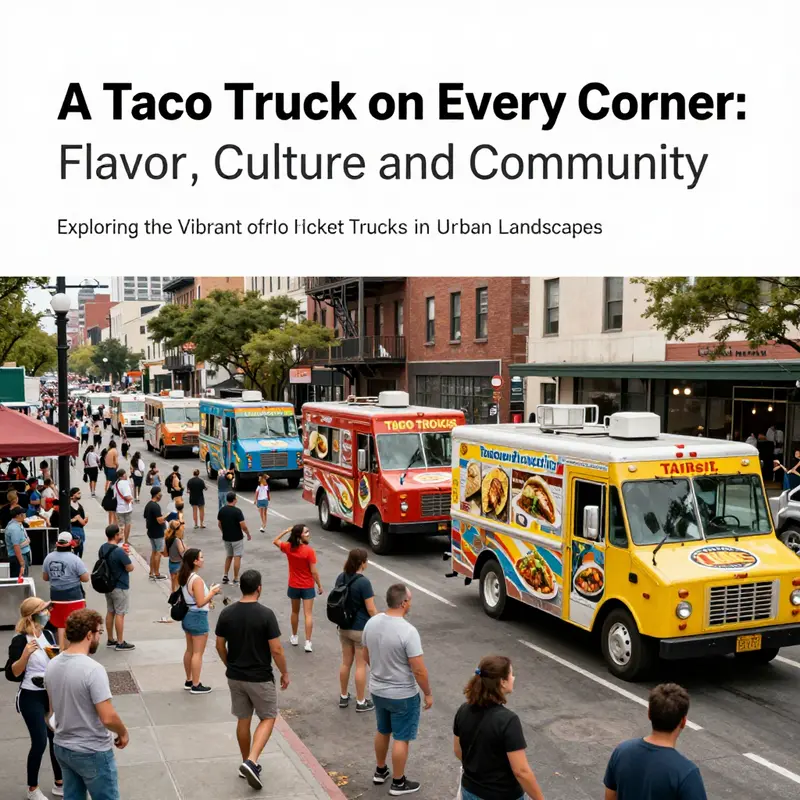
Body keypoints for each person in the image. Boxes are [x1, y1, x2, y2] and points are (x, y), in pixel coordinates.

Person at [214, 569, 289, 790]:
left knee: (243, 719)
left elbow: (219, 645)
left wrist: (229, 664)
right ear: (259, 588)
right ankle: (252, 761)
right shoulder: (266, 614)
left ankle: (246, 761)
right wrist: (285, 672)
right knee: (268, 716)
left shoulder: (227, 613)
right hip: (259, 676)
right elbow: (276, 649)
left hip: (235, 675)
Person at [45, 609, 129, 800]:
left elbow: (51, 712)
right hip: (92, 750)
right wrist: (122, 732)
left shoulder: (53, 664)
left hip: (63, 747)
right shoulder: (93, 670)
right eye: (99, 632)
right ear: (89, 635)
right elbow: (107, 717)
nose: (99, 637)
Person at [362, 583, 432, 796]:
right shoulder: (408, 631)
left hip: (377, 689)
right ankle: (399, 782)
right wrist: (427, 693)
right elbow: (418, 670)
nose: (410, 603)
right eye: (409, 600)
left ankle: (380, 770)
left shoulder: (371, 623)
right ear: (403, 603)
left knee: (383, 730)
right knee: (401, 737)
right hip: (403, 694)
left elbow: (366, 655)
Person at [454, 655, 545, 800]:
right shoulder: (508, 720)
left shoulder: (463, 709)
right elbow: (521, 771)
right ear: (502, 682)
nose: (513, 678)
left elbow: (458, 751)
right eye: (511, 674)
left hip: (470, 790)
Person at [603, 683, 707, 800]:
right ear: (683, 722)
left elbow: (610, 797)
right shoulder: (686, 773)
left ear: (649, 714)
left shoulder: (621, 752)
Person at [7, 597, 63, 800]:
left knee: (56, 739)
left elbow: (55, 662)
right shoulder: (20, 640)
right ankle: (32, 788)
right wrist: (24, 656)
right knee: (39, 741)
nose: (48, 612)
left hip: (49, 695)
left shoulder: (48, 634)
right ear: (32, 615)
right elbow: (11, 673)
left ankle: (60, 783)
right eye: (44, 610)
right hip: (30, 696)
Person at [335, 548, 378, 711]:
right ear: (362, 563)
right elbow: (371, 609)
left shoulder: (341, 577)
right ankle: (361, 701)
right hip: (360, 629)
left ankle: (344, 696)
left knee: (346, 662)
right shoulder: (364, 582)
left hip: (344, 626)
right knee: (361, 665)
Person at [272, 524, 323, 652]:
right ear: (300, 535)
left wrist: (285, 530)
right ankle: (308, 642)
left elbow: (275, 541)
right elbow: (314, 572)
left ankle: (294, 636)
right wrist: (319, 585)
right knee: (308, 614)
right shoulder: (309, 551)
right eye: (306, 532)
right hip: (307, 586)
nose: (308, 533)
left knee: (295, 612)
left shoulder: (288, 547)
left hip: (293, 584)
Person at [178, 548, 221, 694]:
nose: (203, 559)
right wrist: (213, 592)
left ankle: (189, 680)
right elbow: (201, 601)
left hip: (188, 615)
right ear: (195, 561)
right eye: (201, 557)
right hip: (198, 616)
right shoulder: (196, 579)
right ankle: (196, 684)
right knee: (198, 653)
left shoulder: (185, 576)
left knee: (189, 650)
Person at [42, 532, 90, 650]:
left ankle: (61, 648)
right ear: (71, 544)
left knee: (59, 622)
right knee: (73, 622)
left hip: (56, 594)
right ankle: (72, 648)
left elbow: (45, 577)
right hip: (74, 595)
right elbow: (85, 578)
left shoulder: (49, 558)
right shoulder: (75, 559)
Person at [99, 524, 135, 651]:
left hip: (108, 585)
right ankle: (120, 642)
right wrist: (127, 556)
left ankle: (110, 639)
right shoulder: (119, 551)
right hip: (120, 585)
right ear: (115, 535)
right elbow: (130, 567)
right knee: (120, 613)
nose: (121, 535)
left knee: (110, 611)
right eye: (120, 533)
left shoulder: (103, 548)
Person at [218, 492, 251, 585]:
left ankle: (225, 575)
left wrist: (223, 532)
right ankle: (236, 577)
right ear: (234, 500)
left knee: (229, 556)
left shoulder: (222, 510)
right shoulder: (237, 511)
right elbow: (243, 525)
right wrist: (248, 534)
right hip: (237, 537)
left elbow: (219, 524)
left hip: (226, 537)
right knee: (237, 556)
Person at [143, 486, 168, 581]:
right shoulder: (156, 506)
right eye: (160, 493)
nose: (161, 495)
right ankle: (157, 573)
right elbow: (160, 520)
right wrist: (166, 516)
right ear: (157, 494)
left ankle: (151, 572)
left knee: (154, 552)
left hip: (151, 531)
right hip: (157, 532)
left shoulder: (148, 505)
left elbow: (146, 516)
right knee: (158, 553)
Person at [5, 505, 31, 578]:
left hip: (21, 555)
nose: (25, 515)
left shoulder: (17, 524)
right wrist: (22, 563)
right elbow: (16, 546)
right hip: (18, 557)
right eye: (23, 513)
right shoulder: (14, 529)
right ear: (18, 515)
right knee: (21, 578)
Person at [113, 468, 134, 544]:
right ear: (123, 475)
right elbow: (127, 496)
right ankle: (126, 540)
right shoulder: (124, 483)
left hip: (119, 507)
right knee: (127, 524)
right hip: (126, 507)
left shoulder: (116, 483)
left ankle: (120, 540)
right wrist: (131, 499)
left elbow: (114, 495)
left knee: (120, 525)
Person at [165, 519, 187, 592]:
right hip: (179, 564)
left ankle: (173, 594)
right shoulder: (177, 540)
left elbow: (165, 552)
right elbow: (182, 553)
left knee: (173, 583)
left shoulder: (168, 537)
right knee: (180, 585)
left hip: (171, 563)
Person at [68, 487, 89, 558]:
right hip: (73, 529)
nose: (80, 495)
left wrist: (85, 519)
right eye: (78, 493)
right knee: (74, 547)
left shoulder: (80, 506)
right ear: (73, 495)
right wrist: (73, 519)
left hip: (80, 529)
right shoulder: (68, 506)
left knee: (80, 547)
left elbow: (83, 521)